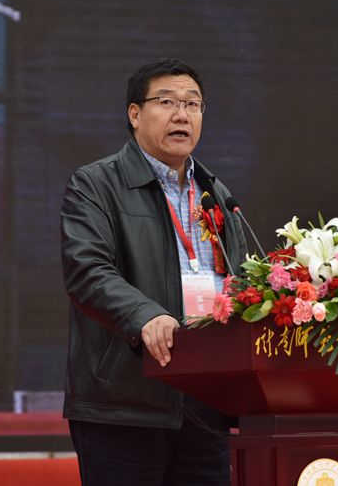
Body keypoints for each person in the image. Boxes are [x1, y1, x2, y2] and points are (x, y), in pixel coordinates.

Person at [60, 58, 248, 485]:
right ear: (134, 114)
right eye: (166, 102)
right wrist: (146, 315)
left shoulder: (216, 194)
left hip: (206, 403)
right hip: (126, 403)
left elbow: (238, 280)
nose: (182, 115)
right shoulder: (95, 185)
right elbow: (87, 270)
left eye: (193, 104)